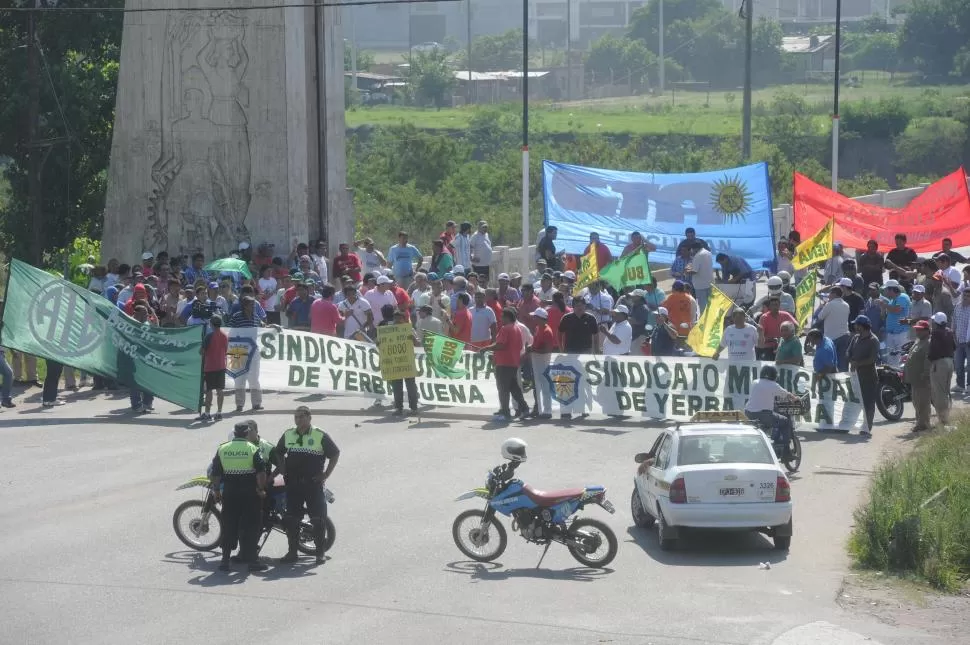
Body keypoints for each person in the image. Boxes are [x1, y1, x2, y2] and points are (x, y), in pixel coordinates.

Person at [276, 406, 339, 565]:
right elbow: (278, 452)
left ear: (309, 418)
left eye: (301, 417)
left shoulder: (320, 435)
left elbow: (335, 453)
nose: (298, 420)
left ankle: (320, 553)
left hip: (312, 484)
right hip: (293, 484)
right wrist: (283, 469)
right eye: (296, 417)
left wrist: (325, 475)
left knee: (318, 519)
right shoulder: (288, 433)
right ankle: (292, 553)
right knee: (291, 519)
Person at [210, 422, 268, 572]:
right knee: (251, 526)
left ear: (234, 433)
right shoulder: (252, 449)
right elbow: (261, 472)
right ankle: (253, 562)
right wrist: (261, 489)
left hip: (230, 493)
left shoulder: (222, 449)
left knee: (229, 525)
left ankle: (224, 561)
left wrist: (217, 491)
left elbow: (215, 473)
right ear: (247, 433)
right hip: (249, 494)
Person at [479, 309, 531, 422]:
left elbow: (501, 345)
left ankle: (505, 411)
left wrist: (487, 348)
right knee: (513, 388)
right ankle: (524, 408)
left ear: (508, 317)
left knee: (503, 388)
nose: (500, 319)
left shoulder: (505, 329)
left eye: (502, 317)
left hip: (504, 363)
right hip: (513, 362)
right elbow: (503, 344)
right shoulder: (516, 328)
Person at [743, 365, 801, 459]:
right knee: (785, 421)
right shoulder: (773, 385)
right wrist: (795, 398)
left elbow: (760, 397)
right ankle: (786, 452)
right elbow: (786, 394)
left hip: (748, 413)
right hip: (764, 415)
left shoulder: (755, 382)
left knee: (769, 420)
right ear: (774, 375)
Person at [846, 315, 880, 436]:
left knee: (868, 403)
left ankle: (866, 427)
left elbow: (872, 359)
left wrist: (858, 363)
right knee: (851, 401)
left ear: (862, 326)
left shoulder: (873, 340)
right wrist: (851, 361)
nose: (855, 326)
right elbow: (848, 352)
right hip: (855, 376)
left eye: (857, 324)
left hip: (868, 377)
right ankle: (846, 424)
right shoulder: (855, 338)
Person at [198, 315, 228, 422]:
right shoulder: (225, 336)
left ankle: (207, 413)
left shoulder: (209, 336)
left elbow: (201, 352)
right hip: (221, 366)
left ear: (211, 324)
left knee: (209, 390)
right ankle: (219, 412)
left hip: (210, 367)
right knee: (220, 390)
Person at [928, 312, 956, 429]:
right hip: (950, 362)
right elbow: (955, 346)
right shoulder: (949, 331)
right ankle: (946, 416)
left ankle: (943, 420)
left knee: (939, 392)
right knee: (945, 390)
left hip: (939, 363)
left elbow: (933, 351)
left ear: (937, 323)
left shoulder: (935, 333)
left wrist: (929, 358)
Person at [905, 321, 933, 434]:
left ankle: (924, 425)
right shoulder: (918, 341)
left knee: (923, 403)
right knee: (916, 402)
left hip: (922, 379)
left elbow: (928, 360)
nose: (918, 331)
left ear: (927, 331)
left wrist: (925, 374)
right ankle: (919, 423)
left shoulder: (928, 343)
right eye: (917, 329)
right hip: (914, 379)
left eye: (920, 329)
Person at [528, 308, 555, 419]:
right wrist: (532, 348)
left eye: (535, 317)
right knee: (538, 386)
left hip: (544, 362)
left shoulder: (547, 331)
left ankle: (547, 411)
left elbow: (547, 350)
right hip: (537, 362)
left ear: (540, 318)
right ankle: (540, 409)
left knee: (545, 386)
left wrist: (533, 350)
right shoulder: (538, 328)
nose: (533, 318)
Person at [817, 286, 851, 371]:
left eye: (830, 293)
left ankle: (832, 382)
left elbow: (820, 317)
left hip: (832, 338)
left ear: (835, 294)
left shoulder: (830, 304)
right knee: (843, 363)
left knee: (830, 363)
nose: (828, 295)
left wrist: (822, 306)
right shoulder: (846, 304)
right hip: (844, 336)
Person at [880, 279, 911, 366]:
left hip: (901, 333)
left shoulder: (902, 297)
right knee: (891, 358)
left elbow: (897, 310)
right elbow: (883, 316)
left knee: (902, 357)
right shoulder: (891, 300)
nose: (884, 291)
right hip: (891, 333)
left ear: (891, 290)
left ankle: (902, 377)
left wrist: (884, 305)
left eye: (886, 289)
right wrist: (882, 307)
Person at [757, 296, 797, 361]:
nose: (775, 307)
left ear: (779, 305)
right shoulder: (764, 317)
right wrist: (773, 339)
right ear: (769, 306)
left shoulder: (786, 315)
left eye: (777, 305)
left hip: (784, 345)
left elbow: (796, 326)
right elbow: (761, 335)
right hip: (769, 347)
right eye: (773, 305)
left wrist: (790, 337)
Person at [952, 288, 970, 395]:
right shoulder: (957, 307)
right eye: (965, 296)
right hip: (958, 341)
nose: (966, 298)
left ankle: (969, 385)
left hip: (969, 342)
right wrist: (954, 338)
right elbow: (954, 323)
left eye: (968, 296)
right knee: (958, 365)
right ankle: (960, 385)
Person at [688, 242, 715, 313]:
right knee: (710, 304)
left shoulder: (698, 256)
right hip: (710, 283)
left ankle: (704, 321)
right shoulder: (708, 253)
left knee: (703, 305)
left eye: (692, 249)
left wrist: (686, 271)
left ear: (695, 248)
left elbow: (694, 271)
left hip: (700, 285)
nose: (692, 251)